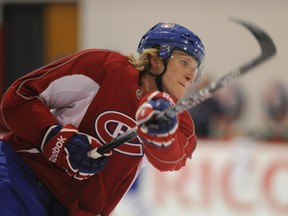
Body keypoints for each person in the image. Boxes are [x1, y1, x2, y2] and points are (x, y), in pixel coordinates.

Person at [0, 22, 205, 216]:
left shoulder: (178, 121)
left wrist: (160, 135)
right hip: (19, 174)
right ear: (155, 59)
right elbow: (19, 98)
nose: (190, 75)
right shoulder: (105, 68)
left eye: (195, 69)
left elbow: (171, 161)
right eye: (184, 61)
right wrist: (57, 140)